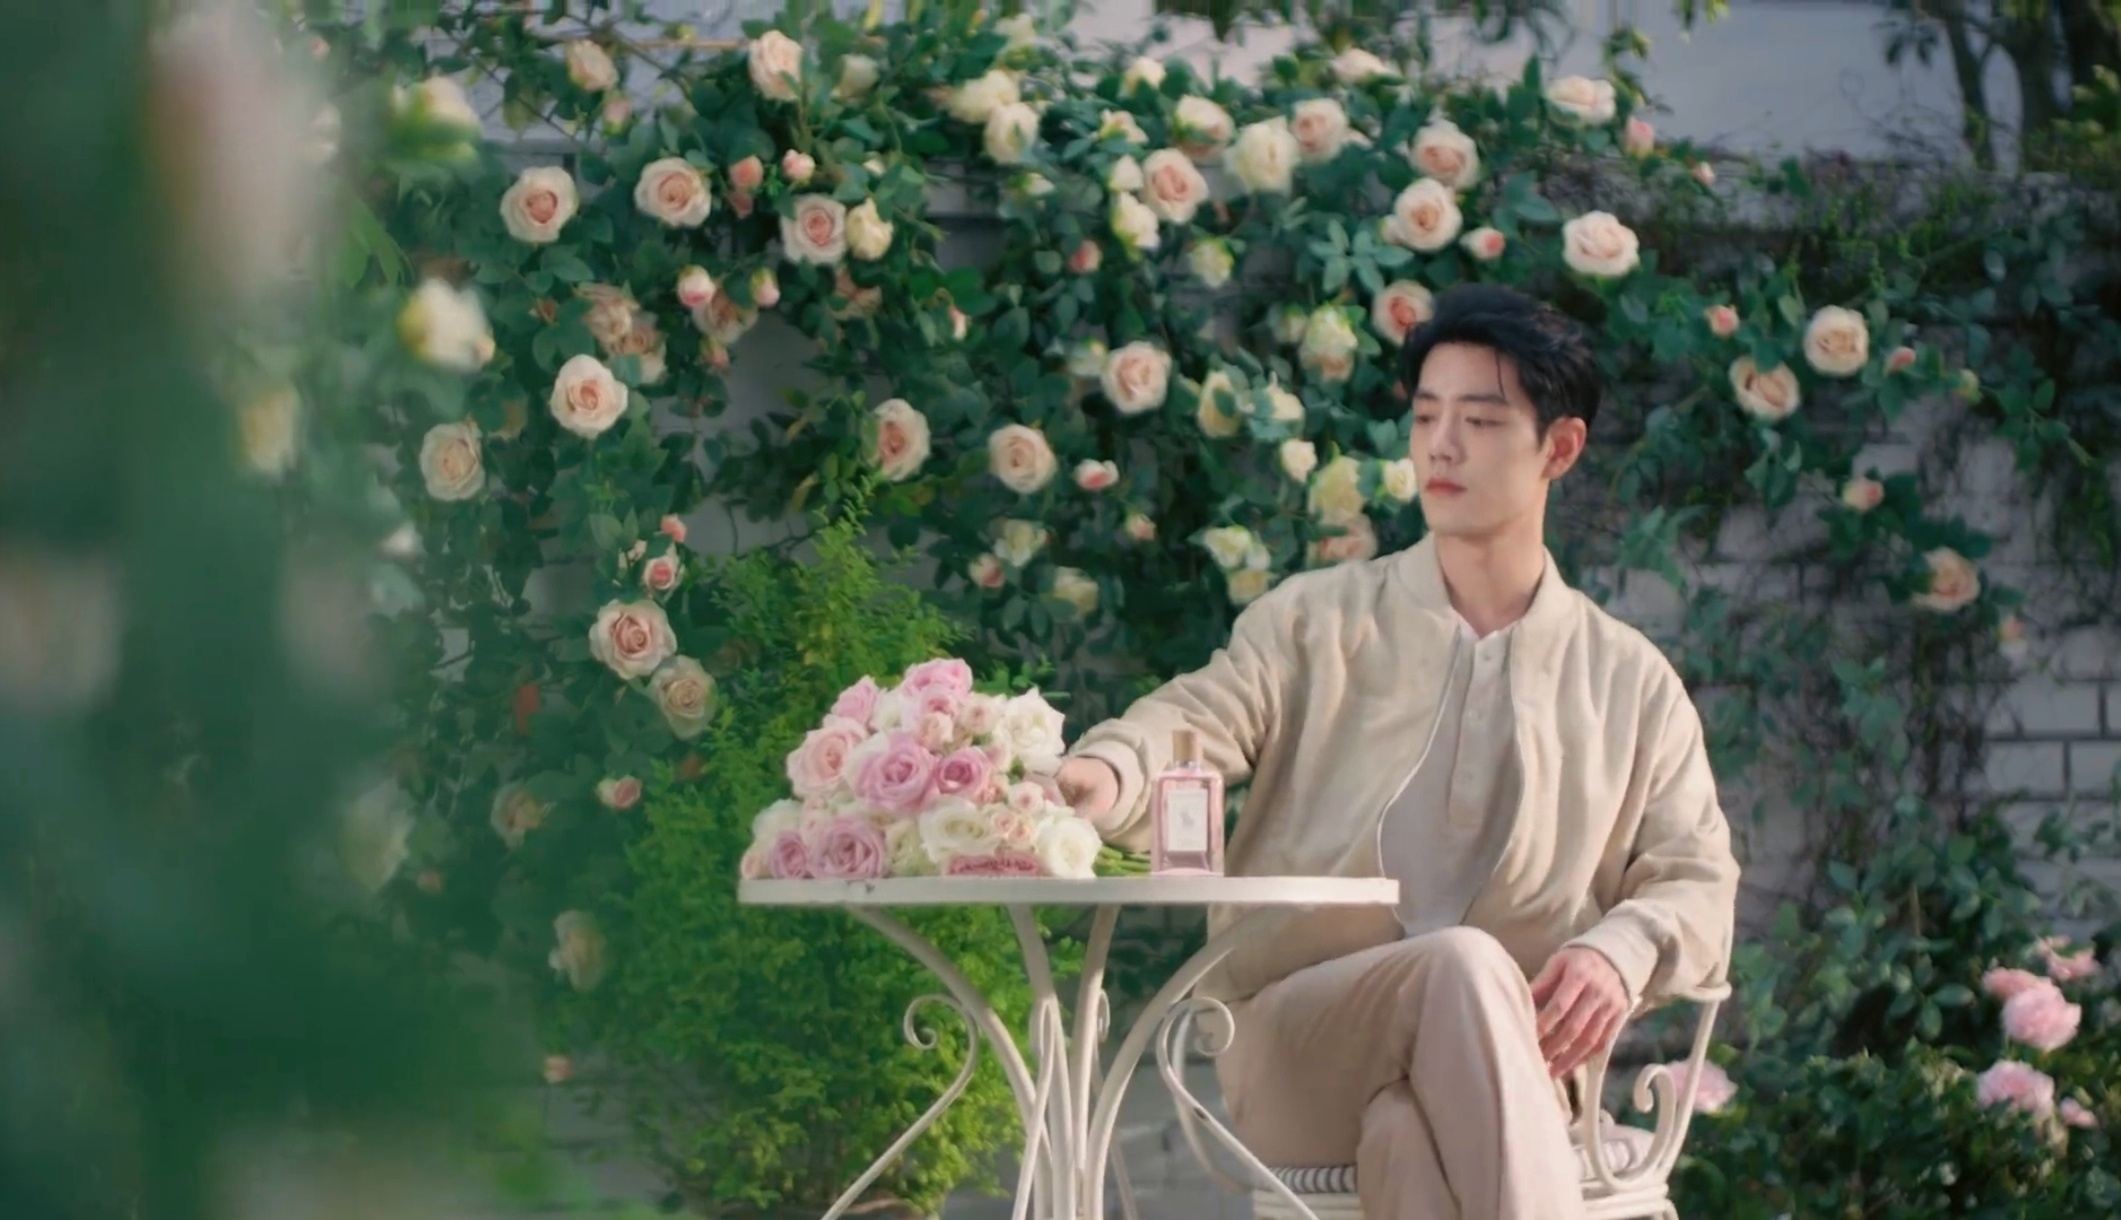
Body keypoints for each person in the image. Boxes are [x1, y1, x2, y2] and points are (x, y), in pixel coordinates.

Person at [1052, 283, 1742, 1219]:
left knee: (1405, 1139)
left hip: (1514, 1075)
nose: (1440, 446)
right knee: (1458, 966)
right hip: (1301, 1051)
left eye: (1480, 421)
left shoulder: (1626, 679)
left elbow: (1697, 879)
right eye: (1425, 417)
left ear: (1559, 448)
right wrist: (1109, 770)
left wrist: (1622, 950)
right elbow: (1198, 718)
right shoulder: (1316, 621)